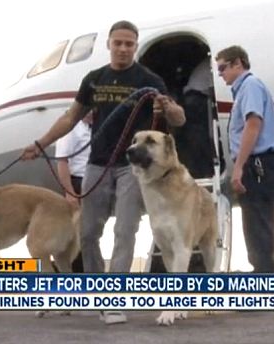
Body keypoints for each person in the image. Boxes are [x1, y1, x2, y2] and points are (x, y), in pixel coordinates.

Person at [22, 20, 185, 324]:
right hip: (97, 165)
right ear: (109, 44)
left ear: (135, 46)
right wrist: (40, 143)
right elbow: (71, 117)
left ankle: (114, 300)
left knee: (125, 231)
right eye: (118, 43)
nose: (123, 48)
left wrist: (168, 105)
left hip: (131, 169)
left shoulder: (149, 79)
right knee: (87, 233)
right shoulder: (94, 79)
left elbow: (178, 118)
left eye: (129, 44)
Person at [215, 45, 274, 273]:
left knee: (258, 225)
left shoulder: (250, 86)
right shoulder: (245, 89)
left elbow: (253, 125)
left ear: (238, 63)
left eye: (223, 67)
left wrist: (239, 167)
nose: (220, 73)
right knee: (258, 223)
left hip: (258, 163)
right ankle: (265, 276)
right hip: (260, 164)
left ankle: (266, 282)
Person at [55, 109, 93, 273]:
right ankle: (76, 274)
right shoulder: (72, 129)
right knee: (78, 234)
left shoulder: (91, 129)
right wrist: (70, 193)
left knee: (89, 232)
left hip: (91, 183)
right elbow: (62, 161)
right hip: (77, 183)